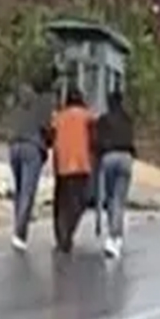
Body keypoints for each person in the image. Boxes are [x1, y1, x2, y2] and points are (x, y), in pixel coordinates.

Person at [5, 69, 55, 251]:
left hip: (14, 147)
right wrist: (50, 142)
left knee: (19, 190)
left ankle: (17, 228)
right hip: (32, 148)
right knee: (27, 192)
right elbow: (47, 129)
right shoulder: (42, 103)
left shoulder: (16, 103)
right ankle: (20, 233)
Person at [50, 85, 96, 254]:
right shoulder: (87, 116)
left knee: (61, 204)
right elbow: (94, 136)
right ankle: (67, 233)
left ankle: (62, 236)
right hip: (81, 165)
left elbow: (50, 136)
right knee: (80, 202)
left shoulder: (59, 117)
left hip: (62, 165)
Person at [94, 87, 137, 259]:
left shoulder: (103, 120)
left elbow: (97, 141)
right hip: (126, 158)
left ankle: (114, 236)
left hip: (109, 157)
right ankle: (115, 236)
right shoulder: (128, 119)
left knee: (111, 199)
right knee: (119, 200)